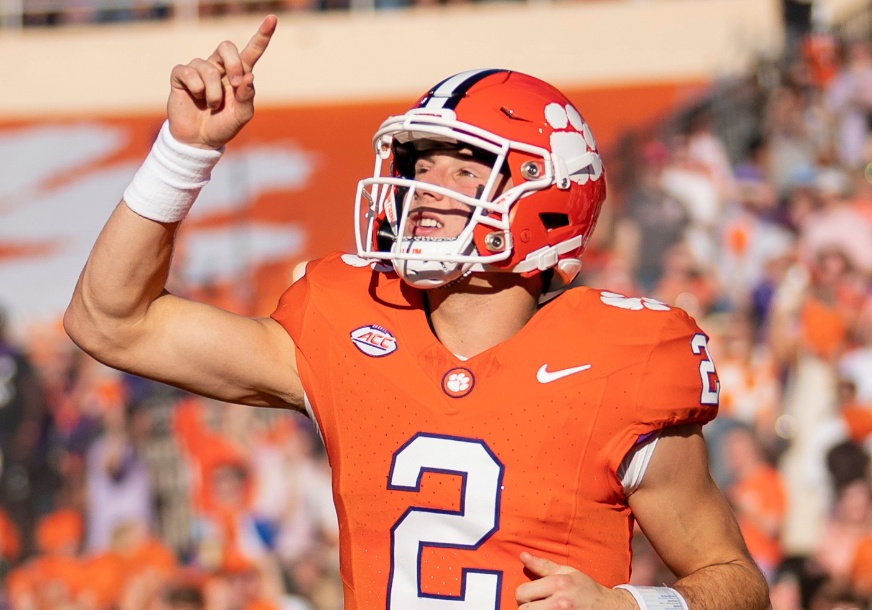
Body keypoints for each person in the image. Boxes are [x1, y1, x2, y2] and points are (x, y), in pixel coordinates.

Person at [65, 15, 770, 609]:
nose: (429, 188)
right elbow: (110, 323)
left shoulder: (620, 361)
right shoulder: (350, 323)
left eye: (465, 169)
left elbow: (736, 582)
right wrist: (185, 150)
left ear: (548, 201)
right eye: (421, 166)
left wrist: (635, 607)